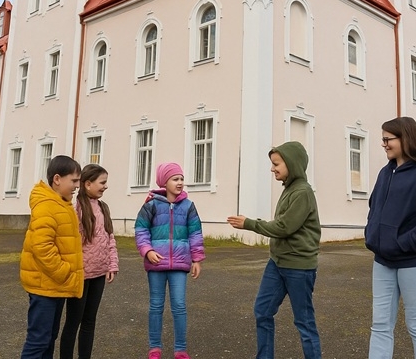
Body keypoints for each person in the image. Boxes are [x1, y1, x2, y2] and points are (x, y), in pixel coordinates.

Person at [227, 141, 322, 359]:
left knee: (304, 322)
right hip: (277, 264)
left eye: (276, 164)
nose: (272, 168)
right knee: (262, 311)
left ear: (292, 164)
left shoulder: (303, 192)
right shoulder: (290, 189)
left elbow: (283, 227)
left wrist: (249, 224)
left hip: (299, 268)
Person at [364, 116, 416, 359]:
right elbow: (374, 207)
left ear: (405, 138)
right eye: (383, 140)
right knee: (380, 326)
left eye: (387, 139)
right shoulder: (385, 173)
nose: (384, 144)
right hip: (383, 262)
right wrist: (372, 234)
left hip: (415, 263)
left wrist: (403, 243)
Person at [135, 162, 205, 359]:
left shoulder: (189, 206)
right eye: (175, 179)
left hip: (180, 265)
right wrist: (147, 251)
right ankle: (154, 348)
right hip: (156, 264)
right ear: (164, 182)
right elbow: (141, 230)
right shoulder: (151, 205)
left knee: (179, 306)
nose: (180, 182)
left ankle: (180, 349)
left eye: (182, 178)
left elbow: (195, 233)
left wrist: (197, 259)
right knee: (156, 306)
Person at [19, 155, 84, 359]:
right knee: (38, 341)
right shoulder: (47, 205)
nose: (77, 186)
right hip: (45, 286)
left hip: (54, 286)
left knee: (48, 339)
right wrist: (64, 272)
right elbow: (42, 247)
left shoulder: (62, 204)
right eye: (73, 181)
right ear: (57, 179)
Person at [59, 164, 119, 359]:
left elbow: (110, 238)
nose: (105, 186)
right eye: (102, 182)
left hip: (99, 274)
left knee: (89, 322)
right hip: (81, 276)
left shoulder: (104, 208)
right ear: (87, 184)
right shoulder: (76, 209)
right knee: (73, 322)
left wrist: (112, 264)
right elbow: (70, 243)